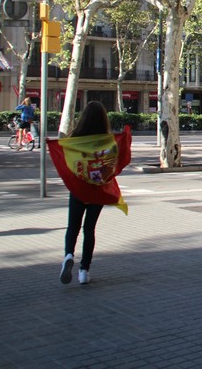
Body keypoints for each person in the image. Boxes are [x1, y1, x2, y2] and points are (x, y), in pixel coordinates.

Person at [56, 101, 128, 285]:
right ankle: (84, 271)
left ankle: (68, 255)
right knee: (89, 229)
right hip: (98, 189)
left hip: (79, 189)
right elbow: (117, 159)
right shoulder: (108, 141)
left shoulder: (76, 140)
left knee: (73, 226)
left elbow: (66, 158)